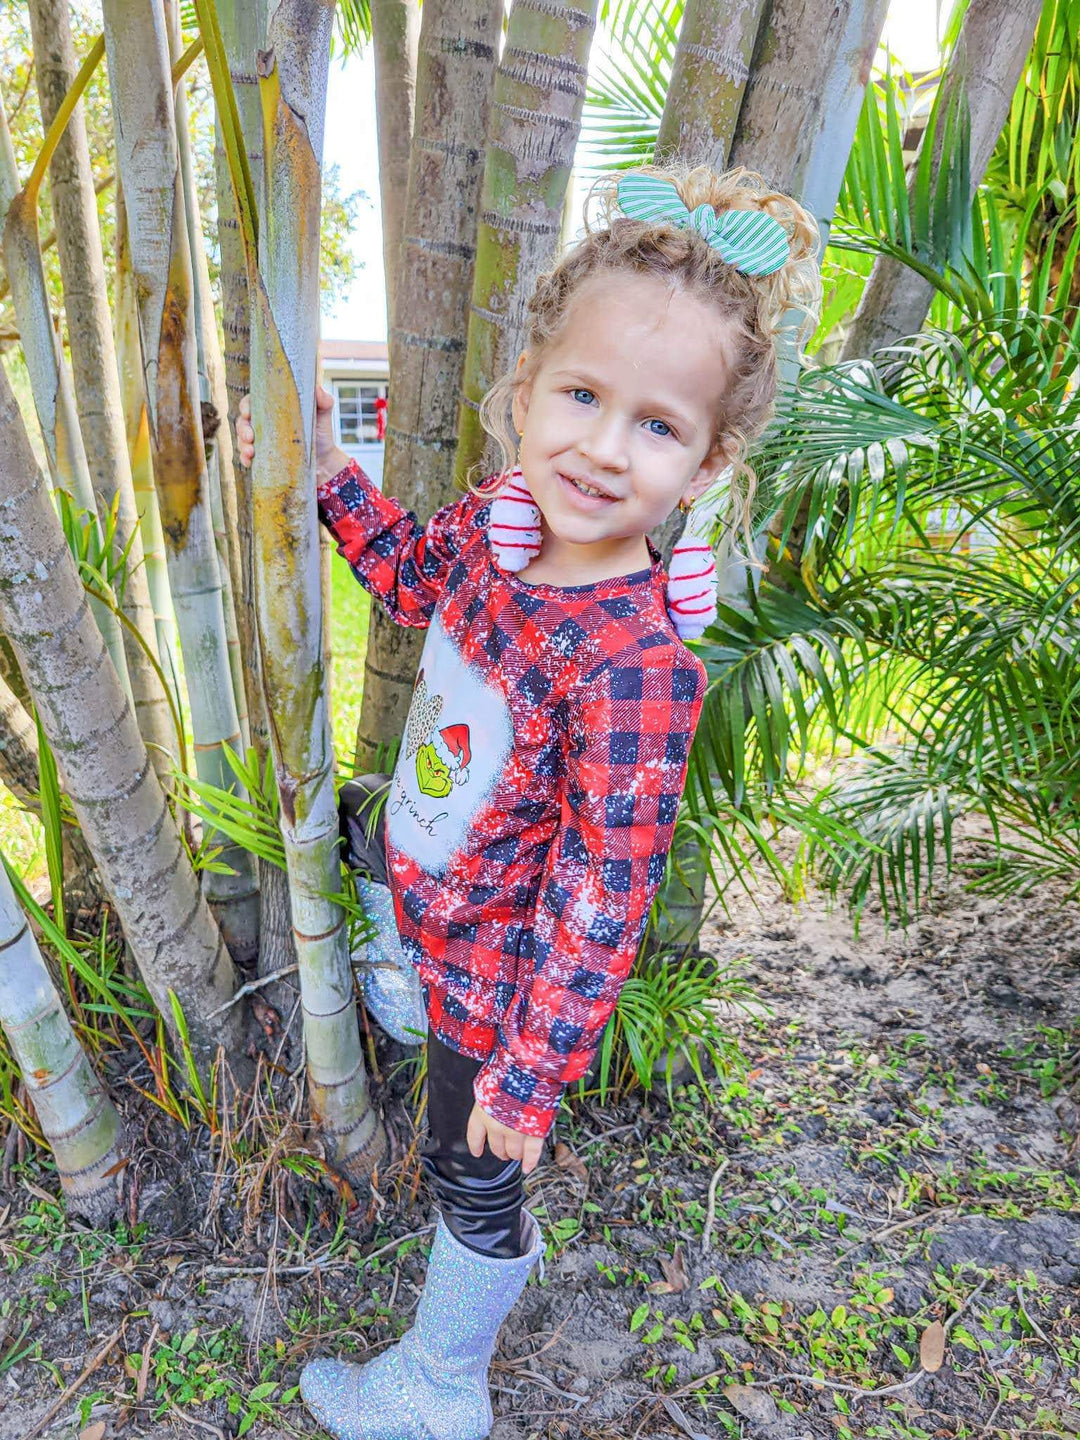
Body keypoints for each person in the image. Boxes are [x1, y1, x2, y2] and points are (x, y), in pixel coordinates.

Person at [235, 162, 820, 1440]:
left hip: (502, 986)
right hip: (434, 905)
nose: (605, 449)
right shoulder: (496, 528)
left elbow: (608, 891)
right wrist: (331, 472)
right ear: (522, 394)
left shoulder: (637, 665)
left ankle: (442, 1386)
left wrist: (532, 1072)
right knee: (364, 823)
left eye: (657, 426)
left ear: (709, 459)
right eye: (583, 396)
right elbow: (399, 581)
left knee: (471, 1163)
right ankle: (411, 1005)